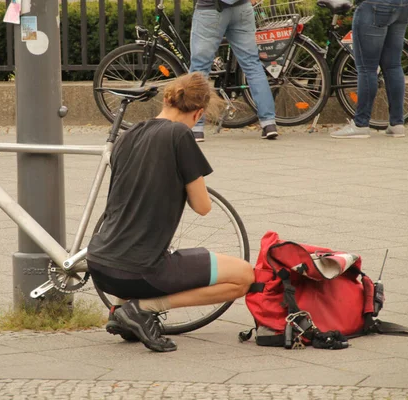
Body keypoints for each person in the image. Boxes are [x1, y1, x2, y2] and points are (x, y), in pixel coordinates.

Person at [86, 72, 255, 353]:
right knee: (244, 276)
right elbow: (203, 207)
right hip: (140, 270)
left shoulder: (131, 134)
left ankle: (120, 310)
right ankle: (142, 309)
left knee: (136, 248)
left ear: (167, 98)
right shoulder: (179, 134)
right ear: (198, 112)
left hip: (101, 265)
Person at [189, 0, 278, 141]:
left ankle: (196, 127)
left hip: (211, 9)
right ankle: (269, 123)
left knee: (199, 68)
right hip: (242, 7)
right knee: (252, 64)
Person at [331, 0, 408, 139]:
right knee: (393, 65)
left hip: (374, 6)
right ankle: (397, 124)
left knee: (367, 68)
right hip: (403, 5)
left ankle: (361, 124)